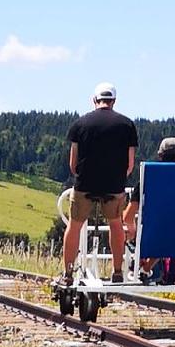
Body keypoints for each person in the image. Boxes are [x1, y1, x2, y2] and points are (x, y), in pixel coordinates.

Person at [58, 82, 138, 285]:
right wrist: (118, 178)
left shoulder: (80, 124)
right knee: (116, 225)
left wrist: (82, 175)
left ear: (94, 100)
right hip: (113, 185)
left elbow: (72, 163)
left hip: (85, 183)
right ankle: (117, 271)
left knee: (74, 226)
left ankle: (67, 273)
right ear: (114, 101)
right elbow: (129, 164)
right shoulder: (127, 125)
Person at [123, 137, 175, 283]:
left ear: (160, 155)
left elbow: (128, 216)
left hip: (155, 234)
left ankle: (145, 267)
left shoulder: (148, 177)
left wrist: (135, 237)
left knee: (164, 232)